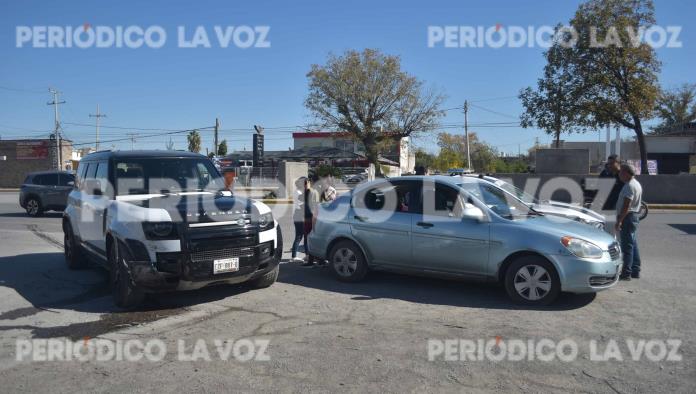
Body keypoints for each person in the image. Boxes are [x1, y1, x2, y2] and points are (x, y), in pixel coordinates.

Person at [614, 164, 643, 280]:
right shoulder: (636, 183)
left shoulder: (629, 186)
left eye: (621, 172)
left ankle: (626, 273)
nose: (619, 174)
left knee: (627, 247)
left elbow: (627, 205)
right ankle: (635, 269)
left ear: (626, 173)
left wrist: (620, 220)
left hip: (628, 217)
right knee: (633, 244)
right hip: (633, 216)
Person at [302, 176, 321, 267]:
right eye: (303, 184)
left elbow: (316, 207)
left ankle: (318, 260)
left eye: (306, 183)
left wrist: (315, 218)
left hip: (312, 218)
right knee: (307, 239)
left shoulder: (314, 192)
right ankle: (312, 259)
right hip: (306, 219)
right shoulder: (304, 193)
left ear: (309, 182)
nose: (305, 185)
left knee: (312, 239)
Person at [290, 177, 306, 263]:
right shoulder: (299, 192)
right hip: (299, 214)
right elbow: (301, 205)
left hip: (297, 214)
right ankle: (294, 256)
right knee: (300, 236)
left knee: (299, 236)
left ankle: (294, 255)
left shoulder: (297, 191)